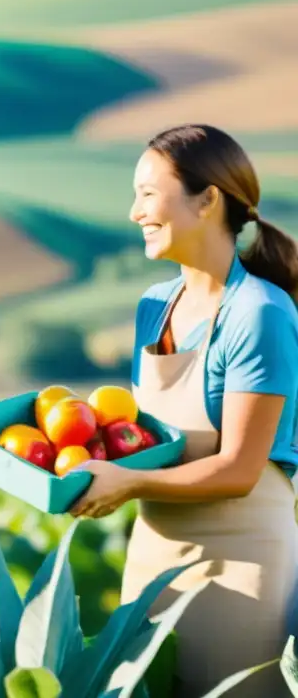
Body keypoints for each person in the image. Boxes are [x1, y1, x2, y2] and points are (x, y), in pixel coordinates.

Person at [70, 124, 298, 696]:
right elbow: (146, 440)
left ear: (208, 198)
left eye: (148, 193)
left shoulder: (258, 313)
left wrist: (124, 482)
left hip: (241, 570)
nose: (134, 212)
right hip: (152, 559)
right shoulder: (155, 306)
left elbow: (241, 470)